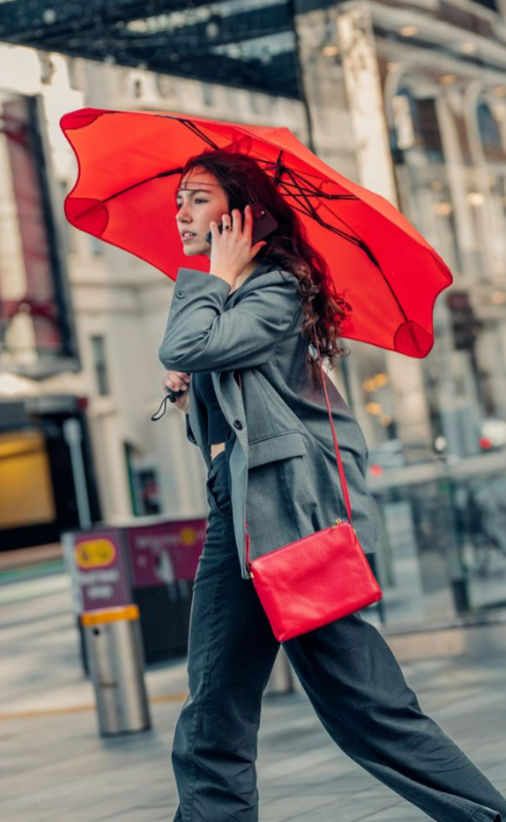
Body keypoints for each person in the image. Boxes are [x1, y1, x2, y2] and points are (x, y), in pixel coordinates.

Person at [158, 148, 506, 822]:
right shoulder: (233, 298)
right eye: (179, 201)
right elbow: (215, 401)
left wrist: (214, 286)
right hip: (239, 512)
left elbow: (186, 345)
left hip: (286, 518)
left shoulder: (274, 291)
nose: (181, 213)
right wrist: (190, 384)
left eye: (198, 199)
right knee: (214, 704)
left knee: (367, 709)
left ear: (241, 215)